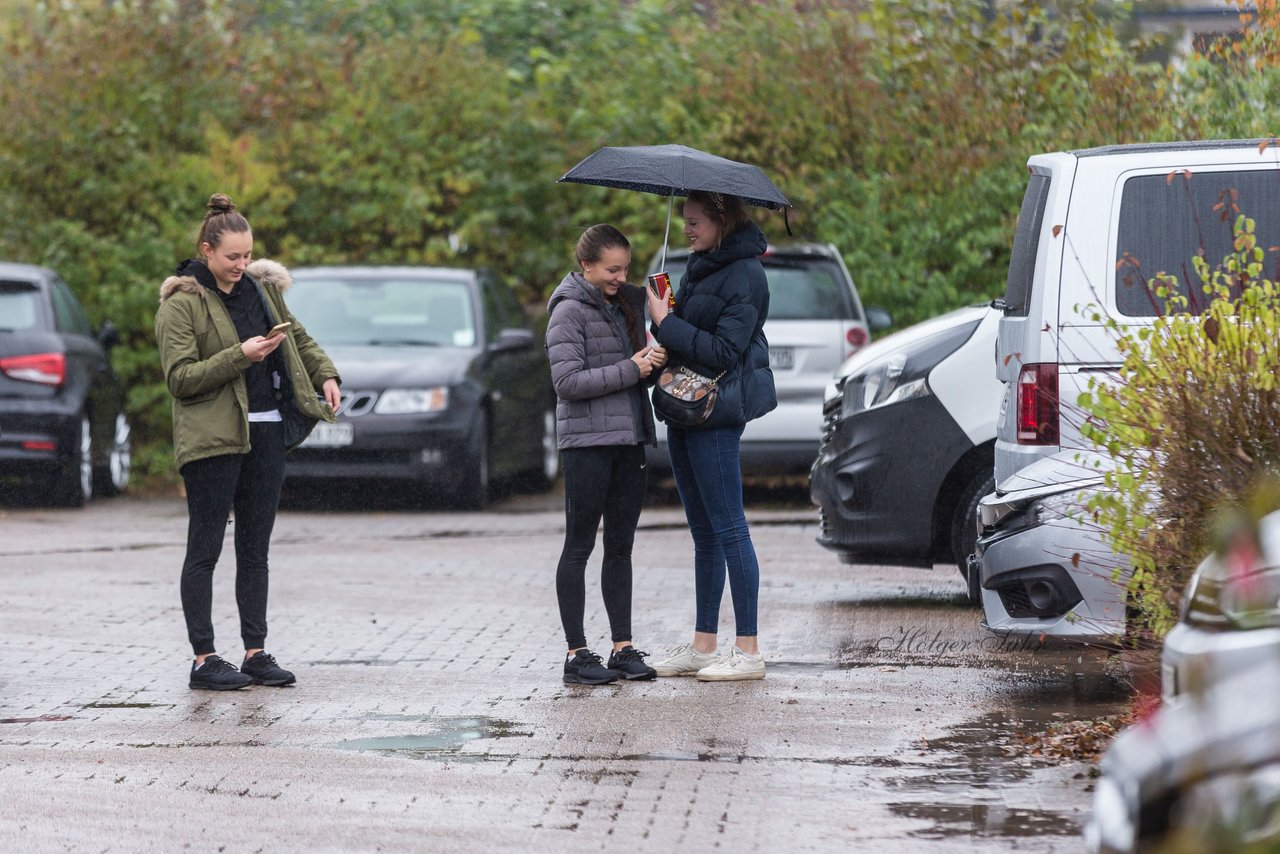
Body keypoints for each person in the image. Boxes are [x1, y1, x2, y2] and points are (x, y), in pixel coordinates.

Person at [155, 193, 341, 691]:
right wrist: (240, 355)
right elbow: (180, 379)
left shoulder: (261, 289)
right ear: (206, 250)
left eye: (247, 255)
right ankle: (204, 659)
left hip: (267, 429)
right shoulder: (182, 302)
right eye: (232, 257)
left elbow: (296, 336)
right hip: (212, 438)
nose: (241, 265)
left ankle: (255, 652)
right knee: (205, 548)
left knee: (255, 548)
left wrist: (326, 373)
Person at [645, 190, 777, 682]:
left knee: (729, 528)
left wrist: (666, 321)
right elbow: (687, 331)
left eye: (696, 220)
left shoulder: (747, 274)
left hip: (717, 412)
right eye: (684, 219)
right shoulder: (700, 264)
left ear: (722, 219)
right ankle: (704, 644)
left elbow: (722, 351)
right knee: (703, 532)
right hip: (683, 406)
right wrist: (665, 314)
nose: (686, 228)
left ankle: (748, 649)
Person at [546, 224, 667, 685]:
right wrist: (630, 368)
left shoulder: (627, 306)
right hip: (586, 446)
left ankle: (622, 647)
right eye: (611, 270)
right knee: (579, 545)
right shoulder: (567, 312)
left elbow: (635, 375)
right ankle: (577, 654)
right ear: (586, 266)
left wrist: (653, 361)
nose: (620, 277)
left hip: (629, 440)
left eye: (625, 269)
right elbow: (568, 383)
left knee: (621, 546)